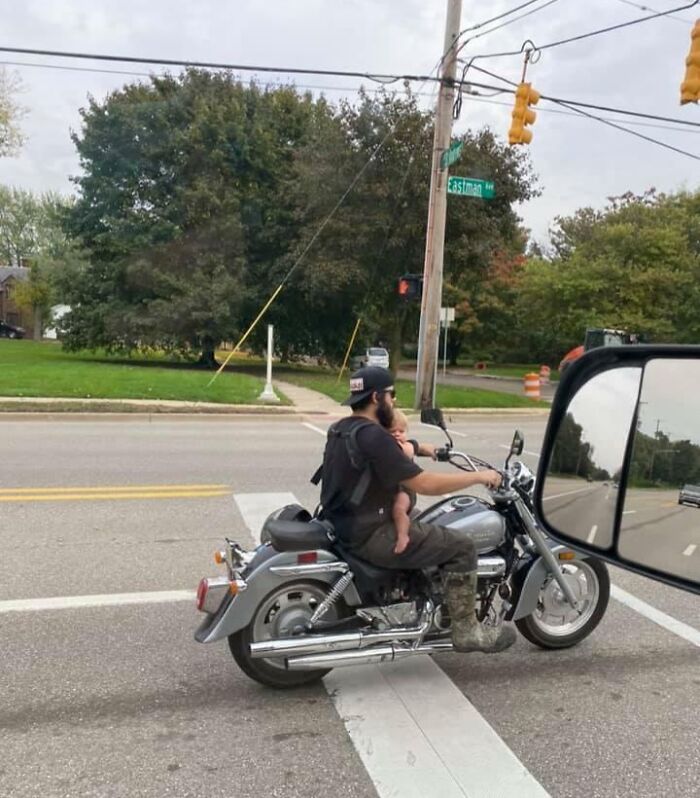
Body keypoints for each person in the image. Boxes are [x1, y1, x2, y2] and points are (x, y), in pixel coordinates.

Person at [317, 366, 515, 654]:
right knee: (461, 546)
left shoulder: (343, 429)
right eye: (392, 395)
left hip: (346, 524)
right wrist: (479, 476)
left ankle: (422, 598)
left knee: (425, 522)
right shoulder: (374, 436)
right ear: (376, 397)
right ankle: (467, 631)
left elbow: (392, 450)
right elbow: (424, 483)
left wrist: (422, 447)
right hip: (372, 534)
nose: (394, 401)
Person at [387, 409, 416, 555]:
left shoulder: (404, 447)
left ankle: (403, 536)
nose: (397, 434)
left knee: (398, 509)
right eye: (392, 431)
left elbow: (408, 450)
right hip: (394, 487)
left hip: (404, 490)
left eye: (401, 431)